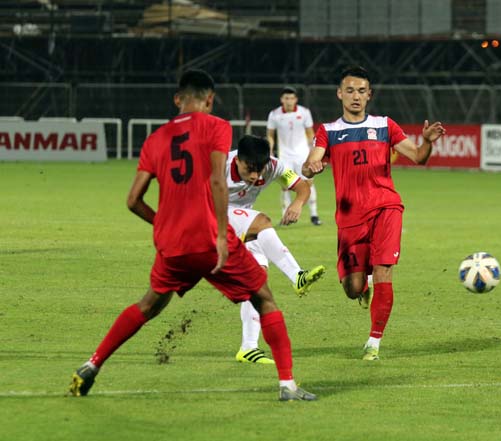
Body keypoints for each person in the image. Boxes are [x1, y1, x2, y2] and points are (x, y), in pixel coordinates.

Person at [68, 69, 316, 401]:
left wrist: (162, 224)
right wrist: (218, 235)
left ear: (177, 99)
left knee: (148, 306)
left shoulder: (155, 140)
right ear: (210, 100)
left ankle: (91, 364)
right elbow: (217, 180)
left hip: (172, 242)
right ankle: (287, 385)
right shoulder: (216, 127)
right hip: (210, 236)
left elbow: (132, 201)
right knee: (264, 299)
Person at [302, 65, 445, 361]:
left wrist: (427, 142)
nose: (356, 96)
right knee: (353, 289)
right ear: (340, 94)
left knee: (384, 271)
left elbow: (417, 156)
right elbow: (310, 163)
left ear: (370, 95)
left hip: (386, 207)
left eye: (362, 91)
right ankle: (362, 284)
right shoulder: (328, 131)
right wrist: (311, 167)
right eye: (350, 90)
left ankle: (373, 343)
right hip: (350, 218)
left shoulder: (385, 125)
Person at [228, 135, 325, 364]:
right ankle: (297, 276)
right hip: (212, 217)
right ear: (237, 159)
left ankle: (248, 347)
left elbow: (302, 186)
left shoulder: (272, 165)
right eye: (249, 169)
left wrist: (297, 203)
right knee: (262, 221)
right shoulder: (219, 166)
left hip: (242, 220)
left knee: (257, 279)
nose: (255, 176)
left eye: (259, 170)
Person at [267, 86, 322, 226]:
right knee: (285, 186)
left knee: (308, 183)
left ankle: (314, 215)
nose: (289, 101)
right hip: (285, 157)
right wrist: (270, 150)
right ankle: (285, 216)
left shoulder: (304, 112)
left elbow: (310, 133)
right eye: (286, 98)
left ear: (296, 99)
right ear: (282, 100)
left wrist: (313, 153)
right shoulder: (274, 114)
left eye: (292, 98)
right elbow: (270, 135)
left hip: (302, 155)